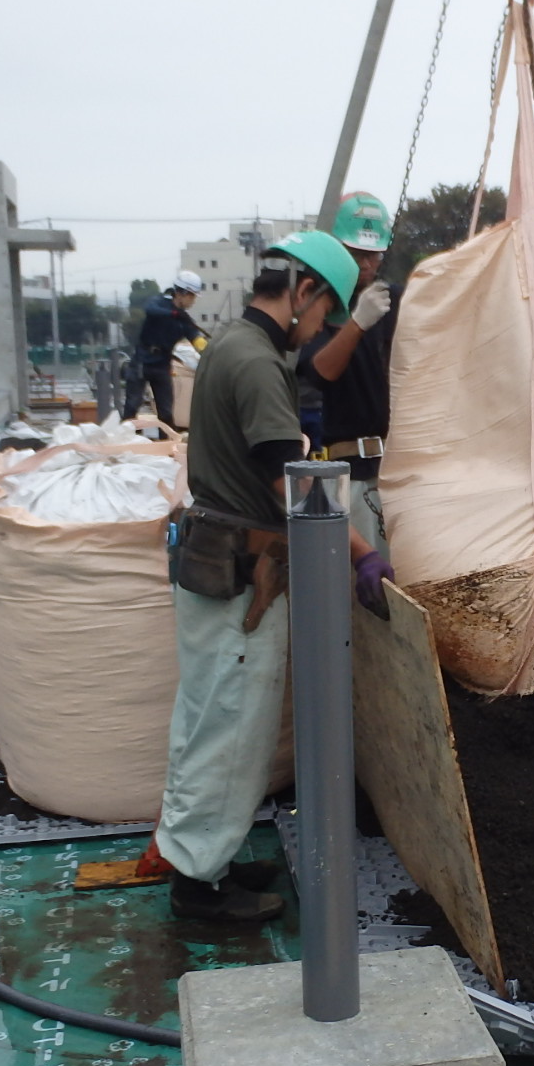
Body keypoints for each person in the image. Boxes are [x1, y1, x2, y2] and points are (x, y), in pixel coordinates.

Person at [139, 232, 396, 921]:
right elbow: (295, 486)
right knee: (230, 722)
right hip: (239, 577)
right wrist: (360, 554)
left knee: (205, 718)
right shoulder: (255, 364)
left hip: (213, 559)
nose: (320, 331)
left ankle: (204, 855)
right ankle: (199, 886)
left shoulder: (232, 343)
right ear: (304, 290)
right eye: (323, 316)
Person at [296, 191, 398, 552]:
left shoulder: (393, 299)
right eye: (357, 253)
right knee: (360, 580)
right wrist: (357, 323)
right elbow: (320, 371)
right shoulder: (321, 302)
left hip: (397, 469)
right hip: (350, 472)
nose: (367, 263)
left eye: (373, 254)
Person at [130, 271, 208, 427]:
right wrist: (174, 313)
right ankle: (126, 441)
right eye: (192, 296)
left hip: (162, 364)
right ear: (181, 293)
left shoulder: (184, 319)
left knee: (165, 412)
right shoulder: (159, 302)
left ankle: (165, 444)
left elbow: (196, 339)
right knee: (132, 406)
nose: (193, 301)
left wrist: (209, 353)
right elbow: (150, 310)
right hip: (142, 360)